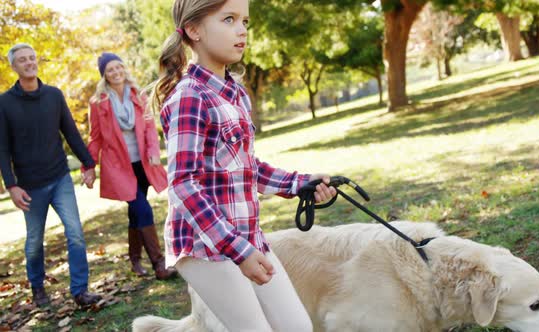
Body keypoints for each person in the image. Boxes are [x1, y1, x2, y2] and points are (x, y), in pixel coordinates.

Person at [151, 0, 337, 330]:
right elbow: (182, 185)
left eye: (245, 22)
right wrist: (239, 251)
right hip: (203, 245)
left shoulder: (235, 91)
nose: (242, 30)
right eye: (229, 19)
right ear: (194, 30)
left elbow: (247, 167)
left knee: (298, 326)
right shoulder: (189, 97)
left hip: (245, 234)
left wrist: (300, 183)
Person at [0, 43, 102, 307]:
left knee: (75, 232)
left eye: (32, 58)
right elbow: (2, 148)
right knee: (34, 241)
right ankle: (37, 287)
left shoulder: (54, 95)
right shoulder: (4, 103)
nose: (29, 63)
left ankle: (80, 291)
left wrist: (89, 163)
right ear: (14, 66)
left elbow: (70, 132)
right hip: (29, 186)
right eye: (22, 60)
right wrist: (11, 185)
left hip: (59, 178)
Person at [84, 52, 176, 280]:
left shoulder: (139, 96)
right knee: (142, 208)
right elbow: (95, 137)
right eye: (110, 70)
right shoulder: (98, 103)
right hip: (118, 167)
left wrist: (154, 152)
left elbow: (149, 128)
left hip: (143, 163)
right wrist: (88, 166)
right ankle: (159, 264)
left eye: (118, 67)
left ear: (124, 69)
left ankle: (134, 260)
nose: (116, 72)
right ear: (104, 75)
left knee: (136, 213)